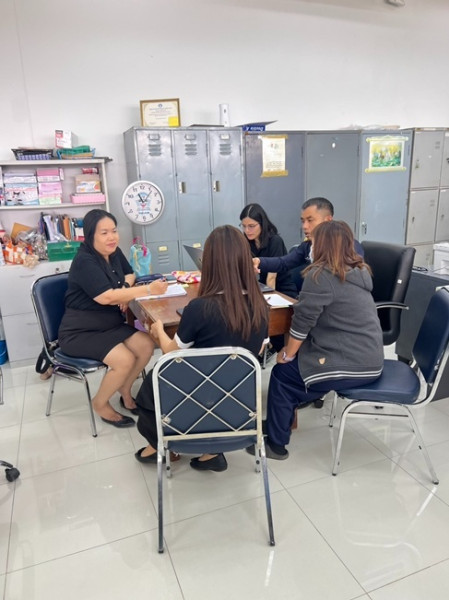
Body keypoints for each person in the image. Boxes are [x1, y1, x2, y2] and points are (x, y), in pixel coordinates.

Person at [134, 225, 270, 472]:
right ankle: (212, 453)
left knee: (152, 383)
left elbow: (172, 354)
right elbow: (256, 353)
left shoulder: (199, 308)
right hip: (237, 404)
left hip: (192, 401)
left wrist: (159, 332)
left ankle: (161, 446)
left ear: (209, 264)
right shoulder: (261, 306)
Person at [250, 220, 383, 460]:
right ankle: (278, 424)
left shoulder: (321, 276)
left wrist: (287, 354)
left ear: (323, 246)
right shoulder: (358, 271)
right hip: (370, 357)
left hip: (350, 363)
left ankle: (276, 445)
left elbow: (302, 324)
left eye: (313, 243)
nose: (309, 247)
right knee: (295, 368)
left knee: (283, 374)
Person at [58, 209, 168, 428]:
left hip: (109, 324)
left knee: (146, 345)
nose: (112, 237)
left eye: (114, 231)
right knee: (124, 360)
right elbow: (106, 297)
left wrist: (125, 289)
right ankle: (100, 403)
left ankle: (124, 390)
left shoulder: (113, 252)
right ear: (91, 235)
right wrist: (148, 290)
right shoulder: (85, 261)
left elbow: (130, 273)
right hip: (80, 331)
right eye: (104, 233)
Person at [253, 197, 364, 293]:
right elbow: (284, 263)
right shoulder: (308, 246)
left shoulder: (349, 246)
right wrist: (259, 261)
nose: (305, 226)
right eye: (303, 221)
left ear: (328, 220)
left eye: (310, 220)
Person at [239, 203, 297, 299]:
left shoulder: (275, 241)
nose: (247, 230)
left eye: (251, 226)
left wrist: (267, 301)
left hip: (282, 292)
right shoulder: (247, 242)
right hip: (264, 287)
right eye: (244, 226)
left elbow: (271, 278)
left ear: (262, 224)